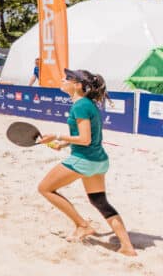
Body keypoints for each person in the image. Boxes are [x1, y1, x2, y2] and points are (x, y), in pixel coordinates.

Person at [36, 69, 136, 256]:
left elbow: (85, 139)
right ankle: (127, 247)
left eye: (67, 78)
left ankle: (82, 225)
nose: (63, 79)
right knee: (99, 201)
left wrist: (56, 135)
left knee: (45, 188)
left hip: (84, 160)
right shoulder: (87, 104)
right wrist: (63, 144)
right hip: (99, 160)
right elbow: (89, 136)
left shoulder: (80, 106)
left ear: (78, 85)